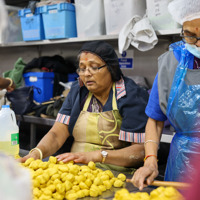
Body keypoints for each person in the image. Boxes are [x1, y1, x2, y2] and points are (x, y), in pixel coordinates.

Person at [19, 41, 149, 172]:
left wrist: (96, 156)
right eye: (82, 68)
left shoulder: (130, 95)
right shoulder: (78, 90)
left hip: (115, 174)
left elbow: (140, 151)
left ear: (111, 68)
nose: (86, 74)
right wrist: (37, 153)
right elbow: (57, 133)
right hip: (76, 171)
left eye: (94, 67)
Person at [132, 0, 200, 190]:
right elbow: (155, 119)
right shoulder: (171, 63)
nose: (199, 44)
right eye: (190, 36)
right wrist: (150, 160)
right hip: (182, 164)